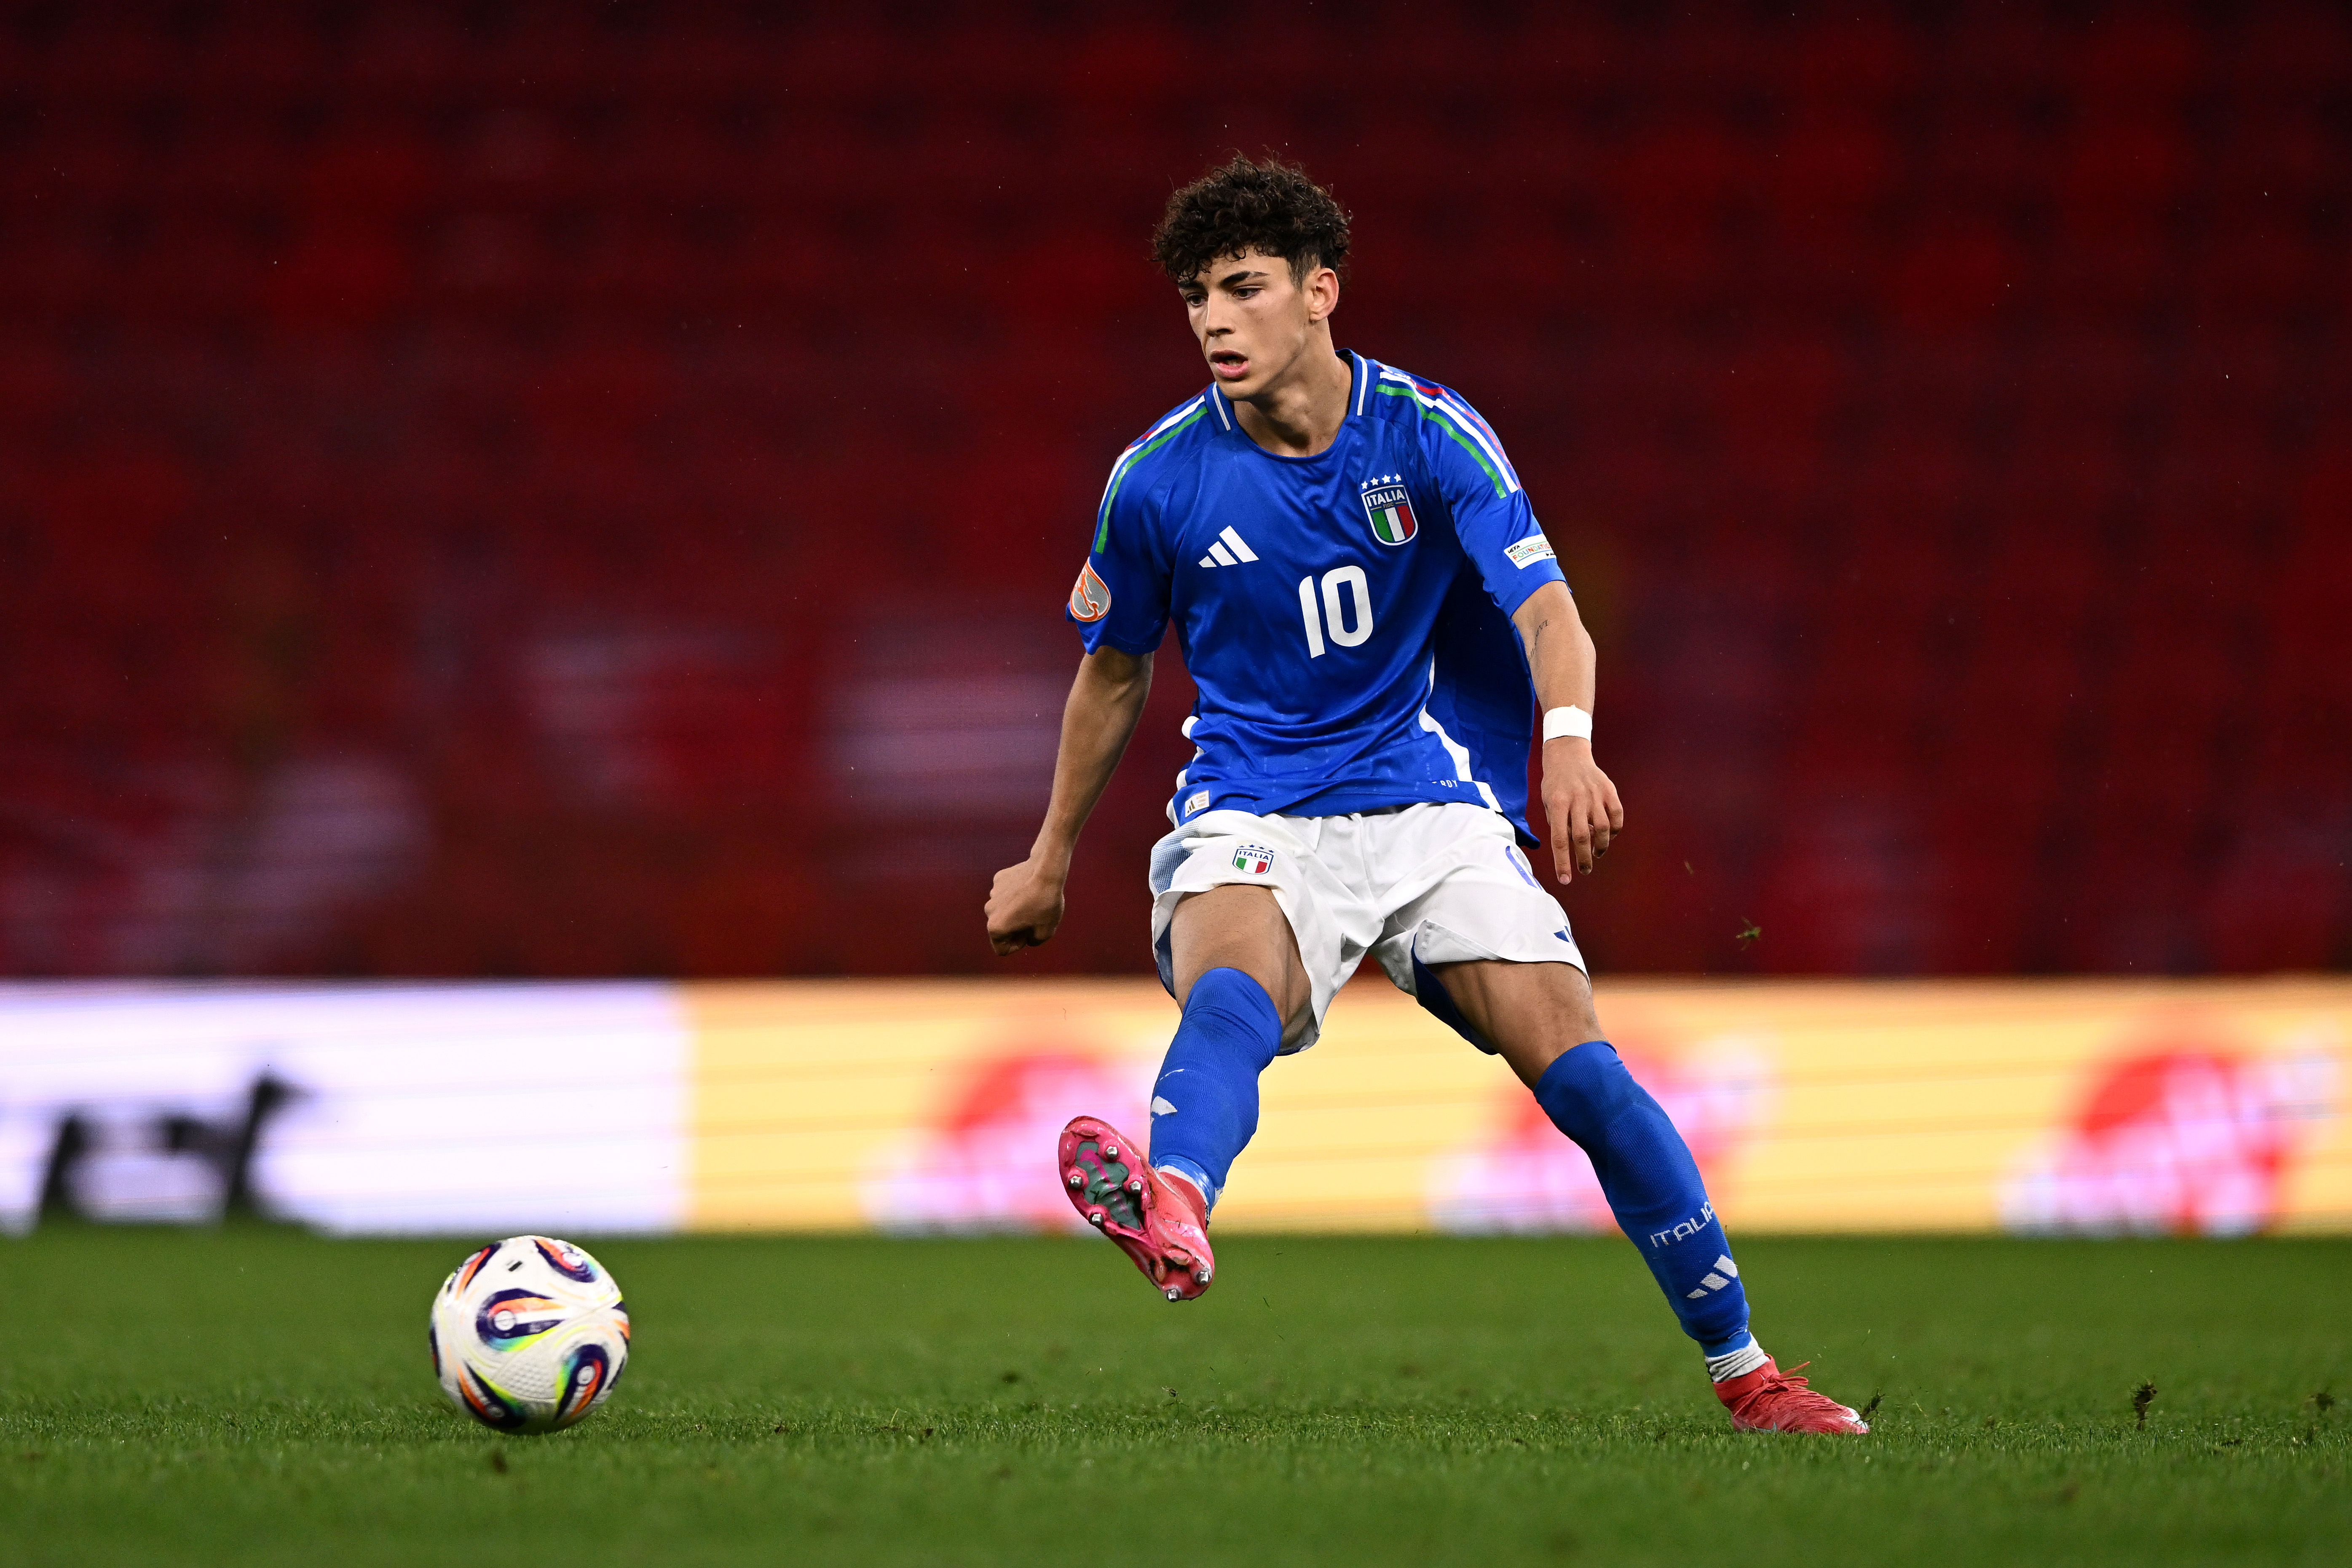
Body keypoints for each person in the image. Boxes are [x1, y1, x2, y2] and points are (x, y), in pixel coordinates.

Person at [983, 155, 1866, 1434]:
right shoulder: (1159, 479)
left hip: (1423, 800)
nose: (1213, 321)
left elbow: (1549, 609)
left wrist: (1568, 740)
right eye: (1195, 298)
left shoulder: (1427, 430)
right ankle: (1174, 1197)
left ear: (1320, 292)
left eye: (1241, 290)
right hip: (1251, 807)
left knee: (1589, 1081)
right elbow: (1113, 673)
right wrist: (1050, 855)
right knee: (1239, 988)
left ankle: (1748, 1371)